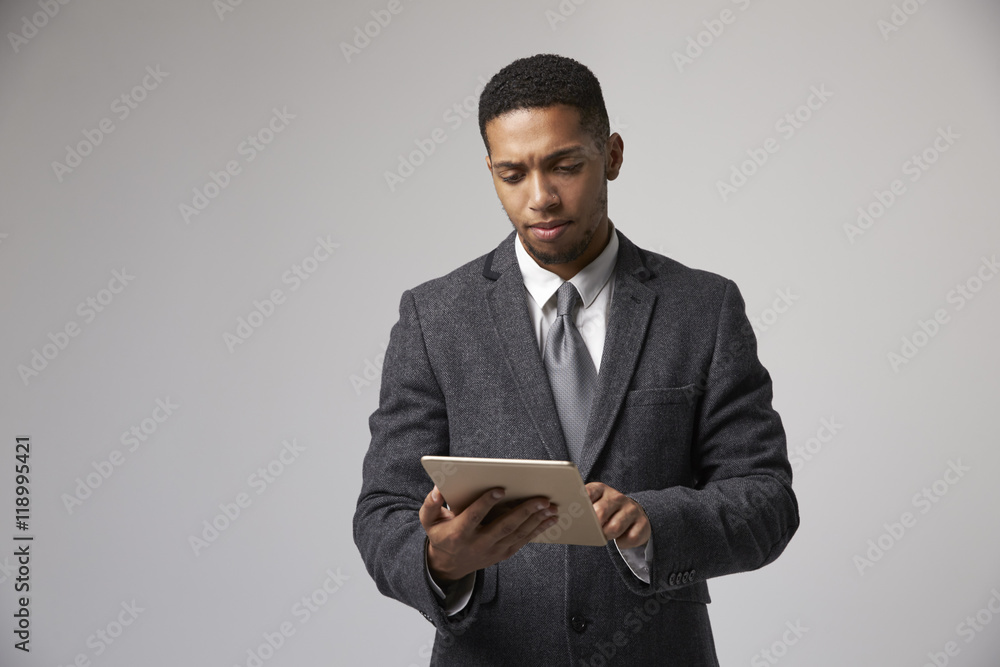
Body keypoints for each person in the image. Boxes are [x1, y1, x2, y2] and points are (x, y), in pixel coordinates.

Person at [354, 53, 799, 666]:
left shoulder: (704, 308)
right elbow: (382, 510)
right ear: (490, 170)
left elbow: (767, 502)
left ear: (612, 155)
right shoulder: (435, 318)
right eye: (512, 174)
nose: (540, 198)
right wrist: (437, 560)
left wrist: (653, 521)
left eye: (564, 166)